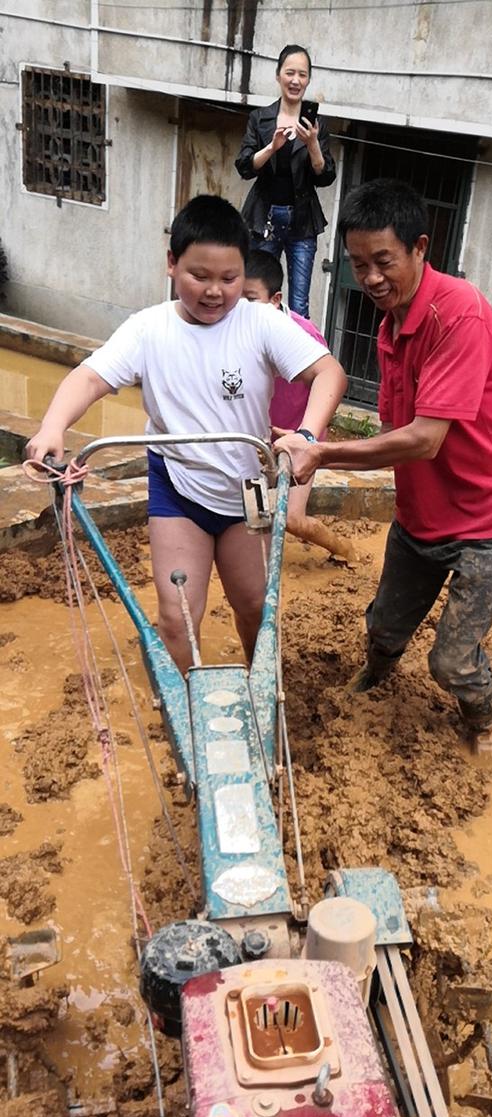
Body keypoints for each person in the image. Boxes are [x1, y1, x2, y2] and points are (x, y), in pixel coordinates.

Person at [25, 195, 346, 674]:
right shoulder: (147, 330)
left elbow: (329, 373)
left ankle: (262, 695)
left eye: (229, 279)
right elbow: (90, 378)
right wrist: (53, 426)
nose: (215, 291)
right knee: (177, 618)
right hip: (177, 489)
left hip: (246, 489)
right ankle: (183, 710)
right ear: (172, 264)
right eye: (200, 276)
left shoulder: (260, 323)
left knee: (256, 607)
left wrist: (305, 432)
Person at [274, 179, 492, 755]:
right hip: (424, 514)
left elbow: (422, 441)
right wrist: (307, 438)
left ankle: (486, 719)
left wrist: (319, 453)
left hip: (489, 519)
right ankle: (378, 675)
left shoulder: (457, 314)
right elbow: (394, 433)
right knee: (384, 629)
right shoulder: (392, 321)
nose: (369, 278)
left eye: (383, 261)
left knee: (451, 660)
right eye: (357, 263)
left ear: (421, 247)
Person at [243, 249, 356, 564]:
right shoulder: (231, 331)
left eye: (250, 299)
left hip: (298, 442)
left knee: (293, 518)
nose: (240, 310)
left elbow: (329, 384)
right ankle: (257, 575)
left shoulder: (303, 334)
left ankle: (344, 549)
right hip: (256, 441)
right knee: (252, 514)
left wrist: (307, 437)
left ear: (275, 299)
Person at [235, 43, 336, 318]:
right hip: (263, 219)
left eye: (302, 75)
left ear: (308, 79)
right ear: (278, 75)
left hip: (302, 222)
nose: (295, 80)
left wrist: (313, 144)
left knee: (299, 306)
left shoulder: (316, 124)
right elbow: (244, 167)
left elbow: (326, 176)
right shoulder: (260, 118)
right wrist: (271, 147)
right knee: (257, 297)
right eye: (290, 72)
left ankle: (292, 361)